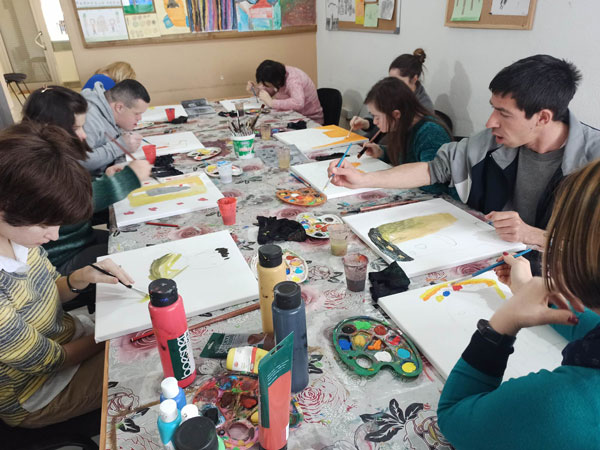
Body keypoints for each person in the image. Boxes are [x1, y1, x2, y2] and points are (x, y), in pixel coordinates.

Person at [329, 55, 600, 252]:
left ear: (542, 118)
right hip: (494, 258)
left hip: (562, 282)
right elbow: (432, 168)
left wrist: (536, 236)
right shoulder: (493, 142)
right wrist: (363, 179)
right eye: (493, 108)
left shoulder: (593, 162)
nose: (490, 122)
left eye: (503, 113)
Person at [437, 158, 600, 450]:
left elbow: (454, 415)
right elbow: (592, 326)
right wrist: (525, 288)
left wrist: (503, 323)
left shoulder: (558, 407)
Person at [0, 121, 135, 428]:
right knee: (151, 362)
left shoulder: (18, 237)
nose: (54, 235)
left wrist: (80, 277)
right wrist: (112, 335)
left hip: (70, 338)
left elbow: (48, 292)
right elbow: (47, 361)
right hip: (35, 392)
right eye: (44, 225)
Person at [22, 86, 152, 274]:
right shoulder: (36, 165)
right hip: (62, 259)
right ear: (50, 127)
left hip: (83, 239)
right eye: (76, 128)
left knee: (142, 240)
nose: (84, 135)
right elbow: (74, 203)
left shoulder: (53, 154)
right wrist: (128, 179)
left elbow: (75, 189)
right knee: (141, 256)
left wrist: (103, 178)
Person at [358, 77, 453, 196]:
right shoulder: (404, 126)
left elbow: (433, 183)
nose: (375, 122)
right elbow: (405, 157)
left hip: (439, 200)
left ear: (396, 114)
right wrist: (382, 152)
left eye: (377, 117)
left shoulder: (430, 133)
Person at [350, 48, 435, 141]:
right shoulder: (391, 92)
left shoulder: (424, 107)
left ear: (415, 79)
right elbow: (376, 119)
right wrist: (365, 123)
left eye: (398, 81)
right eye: (390, 79)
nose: (392, 85)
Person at [81, 79, 150, 174]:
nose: (140, 118)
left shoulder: (107, 106)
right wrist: (120, 146)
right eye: (136, 113)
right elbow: (80, 161)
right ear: (119, 107)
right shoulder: (89, 117)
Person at [246, 59, 324, 124]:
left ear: (275, 81)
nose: (264, 86)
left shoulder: (293, 80)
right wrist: (257, 91)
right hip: (291, 116)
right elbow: (272, 89)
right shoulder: (278, 75)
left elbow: (298, 103)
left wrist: (272, 103)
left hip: (309, 119)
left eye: (266, 84)